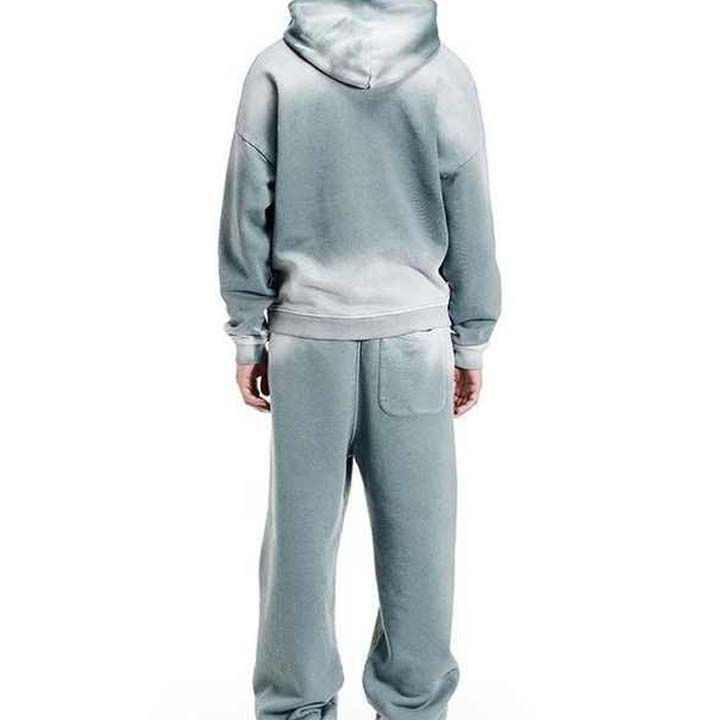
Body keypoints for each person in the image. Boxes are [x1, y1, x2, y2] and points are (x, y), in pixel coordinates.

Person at [219, 1, 501, 717]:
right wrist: (469, 338)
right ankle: (413, 706)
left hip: (305, 344)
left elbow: (246, 206)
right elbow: (470, 212)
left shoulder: (275, 73)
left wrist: (248, 331)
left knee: (298, 548)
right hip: (414, 345)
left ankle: (293, 708)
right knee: (420, 545)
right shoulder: (444, 75)